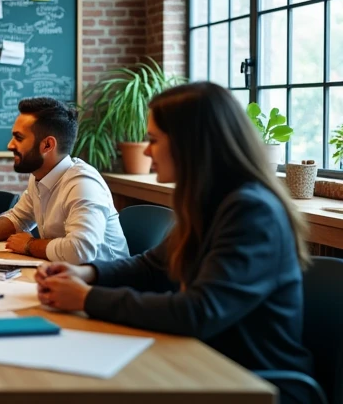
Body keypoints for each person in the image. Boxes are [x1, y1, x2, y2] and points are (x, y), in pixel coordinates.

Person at [36, 82, 312, 386]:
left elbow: (199, 311)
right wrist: (86, 273)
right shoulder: (210, 200)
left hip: (254, 382)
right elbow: (153, 266)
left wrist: (87, 298)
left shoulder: (251, 211)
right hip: (203, 362)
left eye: (154, 139)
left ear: (189, 144)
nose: (147, 150)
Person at [0, 97, 129, 263]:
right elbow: (17, 219)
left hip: (105, 287)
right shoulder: (40, 177)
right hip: (66, 278)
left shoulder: (83, 184)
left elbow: (81, 250)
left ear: (47, 145)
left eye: (19, 138)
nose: (10, 145)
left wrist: (29, 245)